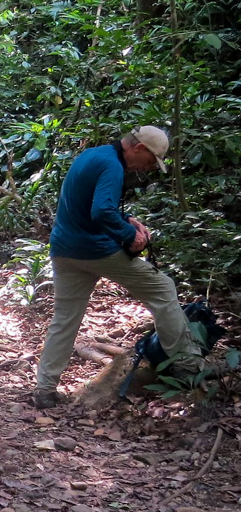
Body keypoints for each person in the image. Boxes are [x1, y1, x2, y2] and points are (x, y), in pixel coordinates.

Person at [33, 126, 204, 409]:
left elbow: (89, 205)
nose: (146, 168)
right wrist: (130, 236)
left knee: (65, 318)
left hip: (64, 250)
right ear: (138, 149)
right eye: (150, 161)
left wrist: (128, 221)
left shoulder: (92, 155)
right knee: (164, 288)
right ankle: (188, 368)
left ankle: (45, 389)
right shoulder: (112, 166)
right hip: (94, 250)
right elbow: (100, 211)